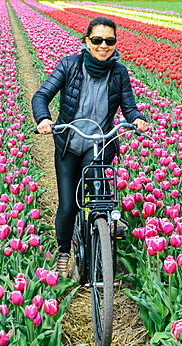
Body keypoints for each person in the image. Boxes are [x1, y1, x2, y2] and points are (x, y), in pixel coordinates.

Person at [32, 16, 149, 277]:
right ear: (87, 41)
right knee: (67, 206)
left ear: (115, 43)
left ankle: (104, 221)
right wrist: (44, 119)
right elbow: (41, 95)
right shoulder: (70, 65)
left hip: (100, 141)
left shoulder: (119, 72)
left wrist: (137, 119)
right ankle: (64, 252)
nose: (103, 45)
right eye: (97, 40)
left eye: (109, 41)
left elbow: (129, 107)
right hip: (69, 142)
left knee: (97, 188)